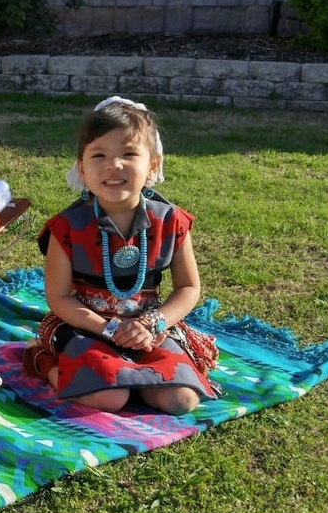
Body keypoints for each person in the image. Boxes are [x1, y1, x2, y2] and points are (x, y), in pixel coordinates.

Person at [23, 96, 221, 415]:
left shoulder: (172, 221)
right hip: (87, 325)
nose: (114, 166)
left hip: (148, 326)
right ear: (82, 169)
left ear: (153, 164)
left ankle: (129, 375)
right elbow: (59, 298)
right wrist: (108, 329)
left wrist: (152, 323)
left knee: (180, 400)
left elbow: (188, 288)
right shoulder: (67, 227)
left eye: (129, 154)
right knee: (109, 398)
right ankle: (45, 360)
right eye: (99, 155)